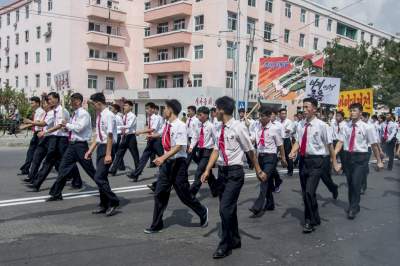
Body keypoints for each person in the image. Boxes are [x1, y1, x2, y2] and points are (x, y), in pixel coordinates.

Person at [201, 96, 267, 259]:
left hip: (235, 173)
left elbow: (250, 150)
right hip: (222, 172)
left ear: (222, 110)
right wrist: (207, 170)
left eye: (215, 109)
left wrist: (258, 170)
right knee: (230, 208)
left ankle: (226, 245)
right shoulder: (219, 128)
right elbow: (216, 149)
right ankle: (235, 239)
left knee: (224, 208)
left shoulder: (238, 127)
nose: (214, 112)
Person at [144, 99, 209, 234]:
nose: (163, 110)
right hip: (167, 164)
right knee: (160, 193)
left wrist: (162, 157)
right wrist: (148, 134)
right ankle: (156, 224)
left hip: (178, 164)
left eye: (165, 108)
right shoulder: (167, 124)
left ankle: (202, 211)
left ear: (171, 110)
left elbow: (179, 146)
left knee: (184, 195)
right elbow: (161, 133)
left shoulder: (180, 125)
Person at [289, 97, 338, 233]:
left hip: (317, 161)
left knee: (310, 191)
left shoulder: (323, 126)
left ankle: (309, 221)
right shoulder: (300, 125)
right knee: (306, 193)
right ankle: (315, 217)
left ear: (314, 109)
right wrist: (293, 152)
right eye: (303, 107)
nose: (304, 110)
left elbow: (330, 146)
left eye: (307, 107)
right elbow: (298, 142)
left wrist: (335, 163)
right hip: (304, 161)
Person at [334, 103, 384, 220]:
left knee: (356, 182)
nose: (352, 113)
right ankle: (354, 205)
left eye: (355, 111)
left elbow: (374, 145)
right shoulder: (345, 126)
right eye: (351, 111)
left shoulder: (368, 127)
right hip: (347, 156)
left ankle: (353, 207)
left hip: (360, 157)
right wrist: (334, 154)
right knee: (351, 183)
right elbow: (340, 142)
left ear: (360, 113)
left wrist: (379, 161)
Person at [28, 92, 82, 191]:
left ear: (57, 99)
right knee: (48, 161)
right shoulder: (53, 111)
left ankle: (77, 181)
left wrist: (45, 132)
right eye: (48, 99)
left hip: (63, 139)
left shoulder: (63, 111)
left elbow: (60, 125)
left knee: (67, 162)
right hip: (54, 138)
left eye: (51, 99)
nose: (49, 101)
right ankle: (36, 184)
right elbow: (46, 123)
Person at [47, 93, 96, 202]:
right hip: (72, 145)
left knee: (91, 171)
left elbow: (79, 128)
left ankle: (104, 188)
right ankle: (56, 193)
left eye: (72, 100)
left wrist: (67, 125)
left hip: (81, 146)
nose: (70, 103)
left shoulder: (83, 114)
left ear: (78, 101)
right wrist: (66, 128)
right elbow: (72, 129)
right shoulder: (75, 114)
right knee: (63, 169)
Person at [84, 92, 120, 216]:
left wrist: (108, 154)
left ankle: (114, 201)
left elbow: (109, 135)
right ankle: (104, 204)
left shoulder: (109, 115)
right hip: (101, 147)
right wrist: (90, 150)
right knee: (102, 177)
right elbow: (99, 136)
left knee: (98, 177)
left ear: (99, 103)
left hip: (108, 148)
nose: (93, 106)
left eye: (94, 104)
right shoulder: (99, 115)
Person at [249, 106, 287, 216]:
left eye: (263, 116)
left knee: (263, 179)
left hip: (271, 157)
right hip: (260, 156)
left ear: (269, 117)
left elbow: (280, 145)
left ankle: (257, 206)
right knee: (268, 182)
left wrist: (283, 158)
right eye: (260, 116)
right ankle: (270, 204)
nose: (260, 118)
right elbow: (253, 139)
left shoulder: (275, 128)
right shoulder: (257, 127)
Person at [127, 102, 163, 182]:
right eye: (145, 109)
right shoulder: (149, 118)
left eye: (148, 109)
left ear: (153, 109)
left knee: (162, 158)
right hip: (151, 140)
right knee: (144, 158)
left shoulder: (157, 118)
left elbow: (152, 129)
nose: (146, 111)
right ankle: (135, 175)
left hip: (157, 140)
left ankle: (165, 174)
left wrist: (140, 132)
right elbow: (149, 128)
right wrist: (147, 135)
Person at [188, 106, 218, 197]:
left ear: (205, 115)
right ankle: (216, 190)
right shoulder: (199, 125)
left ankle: (191, 193)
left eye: (200, 115)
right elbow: (195, 137)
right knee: (208, 173)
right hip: (200, 151)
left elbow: (216, 140)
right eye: (197, 115)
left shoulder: (211, 126)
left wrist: (216, 154)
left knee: (199, 172)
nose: (198, 117)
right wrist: (191, 147)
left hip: (208, 152)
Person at [109, 100, 140, 176]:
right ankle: (113, 170)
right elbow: (123, 126)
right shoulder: (124, 116)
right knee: (119, 154)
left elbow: (129, 126)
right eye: (124, 105)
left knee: (135, 155)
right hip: (125, 137)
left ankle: (138, 170)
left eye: (126, 105)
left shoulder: (132, 116)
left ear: (131, 107)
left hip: (131, 137)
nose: (124, 107)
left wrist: (117, 127)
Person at [18, 97, 45, 175]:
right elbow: (34, 123)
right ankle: (26, 169)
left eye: (32, 103)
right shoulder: (36, 111)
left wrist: (25, 125)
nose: (31, 105)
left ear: (37, 103)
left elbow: (37, 122)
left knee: (47, 155)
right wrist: (25, 126)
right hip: (36, 134)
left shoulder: (41, 112)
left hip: (41, 134)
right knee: (30, 152)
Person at [110, 104, 126, 171]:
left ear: (116, 110)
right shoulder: (112, 116)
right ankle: (121, 166)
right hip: (114, 135)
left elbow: (122, 126)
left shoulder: (118, 117)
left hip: (118, 135)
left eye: (112, 108)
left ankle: (114, 168)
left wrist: (122, 136)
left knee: (114, 152)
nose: (111, 109)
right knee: (117, 152)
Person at [279, 108, 294, 176]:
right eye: (282, 113)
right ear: (279, 114)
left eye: (285, 113)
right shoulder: (278, 121)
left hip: (286, 140)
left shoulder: (288, 121)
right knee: (276, 155)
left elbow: (288, 130)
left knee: (288, 156)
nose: (284, 115)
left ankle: (290, 171)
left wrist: (280, 130)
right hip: (279, 140)